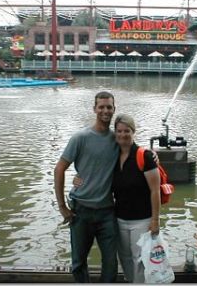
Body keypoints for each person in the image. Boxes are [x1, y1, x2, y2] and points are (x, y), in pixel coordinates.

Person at [54, 91, 119, 283]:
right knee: (78, 262)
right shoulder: (80, 137)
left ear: (114, 109)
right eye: (101, 107)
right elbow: (59, 169)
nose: (105, 111)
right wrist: (62, 207)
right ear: (94, 109)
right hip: (81, 211)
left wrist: (153, 157)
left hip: (107, 211)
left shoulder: (118, 139)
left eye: (109, 107)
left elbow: (136, 153)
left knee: (111, 263)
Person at [112, 114, 161, 283]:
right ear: (115, 132)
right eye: (119, 131)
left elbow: (155, 191)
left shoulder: (145, 156)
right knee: (124, 258)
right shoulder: (111, 156)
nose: (123, 135)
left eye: (127, 131)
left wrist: (155, 220)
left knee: (139, 260)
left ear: (133, 132)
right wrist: (79, 178)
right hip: (119, 218)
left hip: (142, 219)